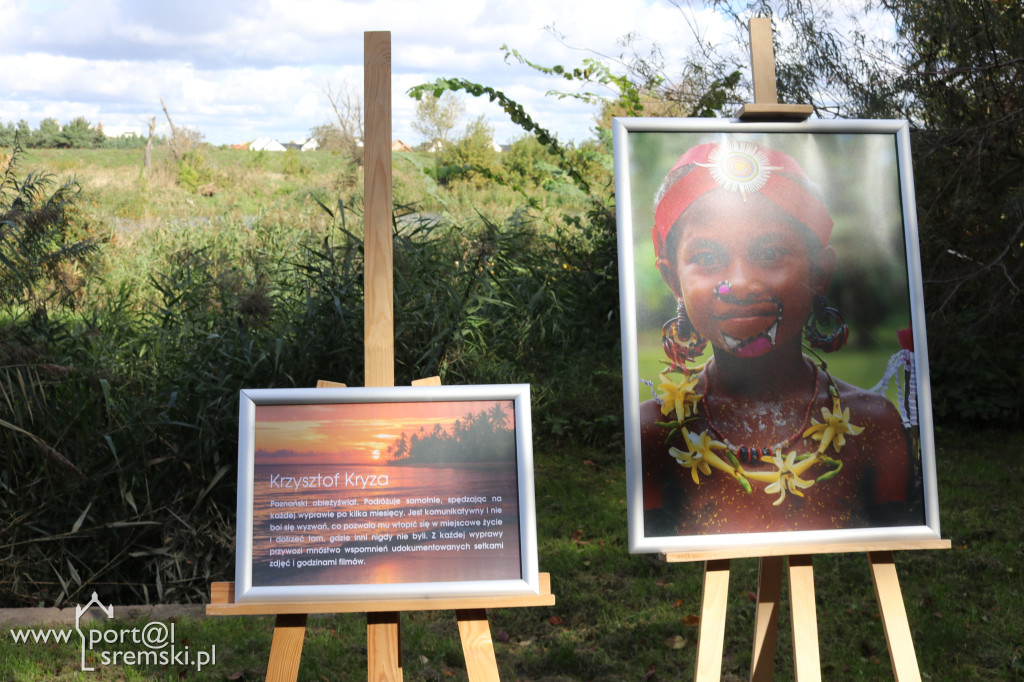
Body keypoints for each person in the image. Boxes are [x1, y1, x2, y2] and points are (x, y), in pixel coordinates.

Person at [639, 140, 916, 537]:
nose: (739, 283)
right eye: (708, 257)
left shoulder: (873, 426)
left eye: (769, 254)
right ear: (673, 280)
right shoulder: (654, 434)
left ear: (819, 272)